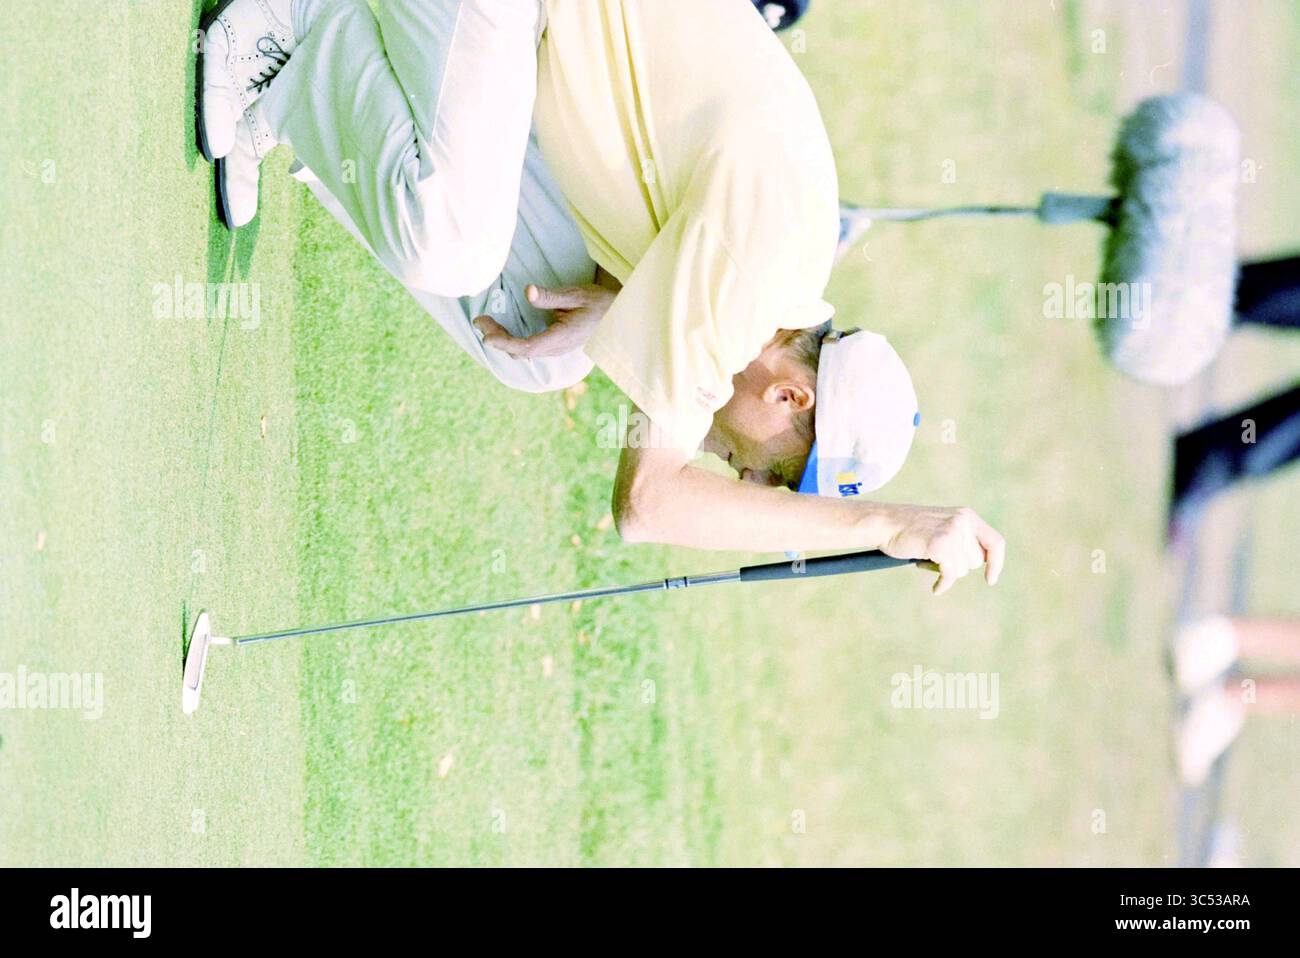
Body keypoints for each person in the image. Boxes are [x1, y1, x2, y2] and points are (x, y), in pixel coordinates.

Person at [196, 0, 1006, 592]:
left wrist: (624, 304)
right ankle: (297, 29)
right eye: (774, 474)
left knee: (534, 337)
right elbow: (647, 505)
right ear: (791, 394)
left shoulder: (770, 281)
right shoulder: (751, 281)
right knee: (448, 238)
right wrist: (888, 525)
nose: (741, 479)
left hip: (525, 35)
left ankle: (304, 91)